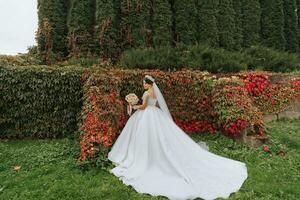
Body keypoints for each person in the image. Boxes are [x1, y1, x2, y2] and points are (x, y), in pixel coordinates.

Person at [108, 75, 248, 200]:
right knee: (159, 137)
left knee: (146, 137)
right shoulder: (155, 92)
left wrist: (133, 106)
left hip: (147, 115)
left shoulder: (147, 92)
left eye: (144, 83)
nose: (143, 85)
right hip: (155, 114)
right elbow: (154, 105)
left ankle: (145, 157)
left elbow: (144, 107)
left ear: (149, 84)